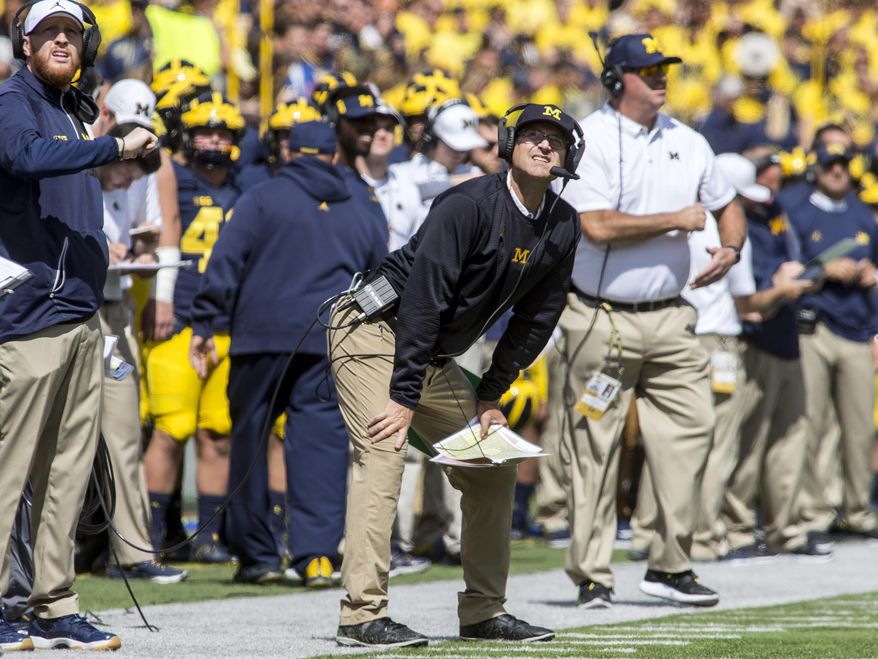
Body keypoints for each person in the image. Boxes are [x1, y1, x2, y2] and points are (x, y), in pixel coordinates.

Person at [329, 102, 582, 648]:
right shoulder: (466, 203)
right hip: (373, 327)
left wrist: (492, 394)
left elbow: (540, 318)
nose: (544, 146)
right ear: (509, 143)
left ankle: (483, 611)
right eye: (533, 136)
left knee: (492, 464)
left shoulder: (563, 223)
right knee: (385, 447)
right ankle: (361, 613)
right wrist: (402, 396)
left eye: (555, 140)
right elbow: (423, 299)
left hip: (429, 353)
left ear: (569, 153)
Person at [559, 34, 746, 609]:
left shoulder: (689, 141)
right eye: (648, 69)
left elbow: (727, 203)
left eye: (664, 67)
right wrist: (678, 220)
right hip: (600, 318)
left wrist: (731, 249)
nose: (661, 77)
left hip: (670, 318)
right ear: (617, 79)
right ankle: (592, 572)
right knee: (594, 444)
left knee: (691, 436)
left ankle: (669, 564)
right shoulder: (587, 138)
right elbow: (595, 225)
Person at [0, 0, 156, 650]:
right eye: (49, 32)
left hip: (80, 312)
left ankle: (54, 599)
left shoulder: (73, 109)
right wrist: (112, 144)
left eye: (73, 32)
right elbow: (26, 158)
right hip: (32, 316)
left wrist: (118, 157)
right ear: (24, 42)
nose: (63, 41)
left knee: (66, 470)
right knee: (9, 472)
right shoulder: (13, 100)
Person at [189, 120, 388, 586]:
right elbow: (382, 275)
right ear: (334, 156)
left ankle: (257, 556)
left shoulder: (261, 196)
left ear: (291, 153)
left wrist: (206, 320)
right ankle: (316, 555)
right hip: (330, 340)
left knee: (251, 442)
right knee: (321, 446)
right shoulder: (362, 203)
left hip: (261, 337)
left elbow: (226, 262)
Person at [142, 92, 244, 565]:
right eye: (205, 130)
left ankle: (208, 537)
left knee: (217, 433)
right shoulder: (172, 177)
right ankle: (150, 534)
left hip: (226, 323)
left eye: (222, 132)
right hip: (179, 318)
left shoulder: (244, 189)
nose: (214, 140)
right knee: (171, 429)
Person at [789, 143, 878, 540]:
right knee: (813, 422)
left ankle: (858, 508)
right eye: (830, 166)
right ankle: (815, 510)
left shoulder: (863, 214)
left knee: (858, 427)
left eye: (842, 166)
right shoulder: (799, 211)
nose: (837, 172)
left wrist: (868, 275)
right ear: (817, 170)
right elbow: (788, 270)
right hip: (817, 323)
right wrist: (825, 269)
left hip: (858, 326)